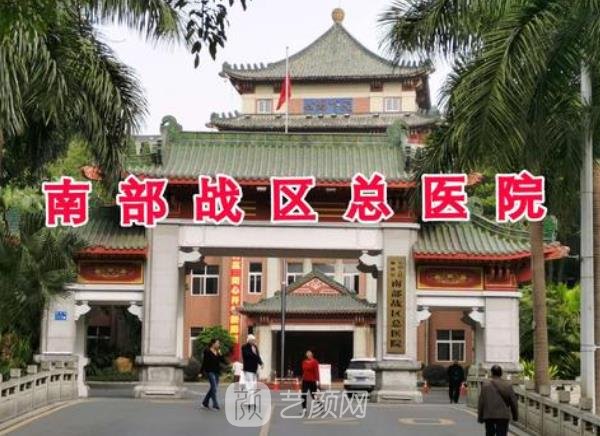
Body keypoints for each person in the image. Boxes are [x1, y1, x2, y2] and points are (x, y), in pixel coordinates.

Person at [478, 365, 518, 436]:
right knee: (501, 434)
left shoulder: (485, 385)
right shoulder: (507, 385)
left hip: (489, 414)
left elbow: (481, 402)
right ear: (501, 373)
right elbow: (513, 401)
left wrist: (480, 416)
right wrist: (515, 415)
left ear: (491, 373)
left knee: (489, 433)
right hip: (503, 415)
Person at [200, 338, 226, 410]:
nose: (219, 344)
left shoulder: (218, 352)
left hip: (216, 372)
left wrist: (220, 354)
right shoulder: (207, 351)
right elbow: (204, 362)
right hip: (210, 372)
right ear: (213, 344)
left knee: (213, 388)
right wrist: (201, 372)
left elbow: (223, 360)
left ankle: (205, 403)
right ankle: (215, 405)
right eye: (217, 343)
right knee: (214, 388)